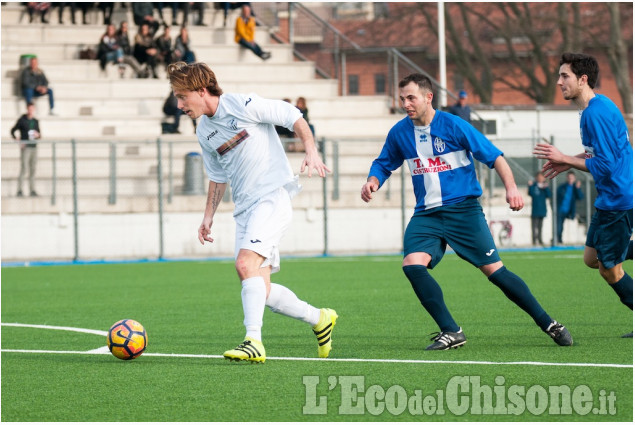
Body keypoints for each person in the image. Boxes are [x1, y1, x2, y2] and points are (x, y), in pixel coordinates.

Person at [361, 73, 572, 350]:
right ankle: (451, 331)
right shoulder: (399, 132)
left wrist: (511, 189)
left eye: (411, 97)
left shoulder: (454, 125)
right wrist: (373, 180)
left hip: (464, 211)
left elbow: (495, 157)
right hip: (427, 214)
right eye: (402, 98)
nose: (405, 104)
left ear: (428, 97)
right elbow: (383, 162)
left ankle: (548, 323)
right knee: (412, 265)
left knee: (496, 273)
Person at [166, 61, 336, 363]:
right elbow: (217, 176)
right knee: (261, 288)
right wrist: (208, 216)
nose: (179, 105)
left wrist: (311, 149)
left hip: (271, 198)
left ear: (202, 90)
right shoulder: (204, 131)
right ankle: (319, 319)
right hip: (245, 209)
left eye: (182, 97)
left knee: (245, 265)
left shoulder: (241, 104)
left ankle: (253, 341)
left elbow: (292, 115)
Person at [533, 52, 633, 337]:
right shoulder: (597, 106)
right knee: (592, 258)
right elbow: (600, 154)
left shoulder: (595, 113)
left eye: (564, 76)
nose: (558, 81)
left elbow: (606, 165)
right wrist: (568, 161)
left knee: (609, 269)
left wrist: (565, 156)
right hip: (611, 198)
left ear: (582, 79)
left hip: (618, 199)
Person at [11, 102, 41, 197]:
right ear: (27, 109)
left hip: (33, 147)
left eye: (32, 109)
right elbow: (12, 130)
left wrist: (38, 135)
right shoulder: (22, 120)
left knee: (33, 169)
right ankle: (19, 190)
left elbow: (39, 134)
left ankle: (32, 190)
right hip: (26, 147)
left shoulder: (35, 121)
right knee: (24, 169)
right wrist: (17, 139)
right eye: (29, 109)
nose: (31, 111)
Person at [555, 171, 584, 244]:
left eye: (572, 177)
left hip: (570, 210)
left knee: (569, 226)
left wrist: (578, 188)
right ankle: (558, 239)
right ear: (567, 178)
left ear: (574, 178)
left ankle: (571, 239)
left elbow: (580, 197)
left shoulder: (575, 187)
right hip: (561, 210)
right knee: (559, 226)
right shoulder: (562, 187)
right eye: (569, 177)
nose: (570, 179)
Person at [527, 172, 551, 246]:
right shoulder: (534, 186)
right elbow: (530, 193)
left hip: (542, 210)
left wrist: (546, 188)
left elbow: (549, 195)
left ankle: (540, 240)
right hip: (535, 210)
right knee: (534, 226)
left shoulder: (544, 187)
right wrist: (530, 186)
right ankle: (534, 240)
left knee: (540, 226)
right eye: (539, 177)